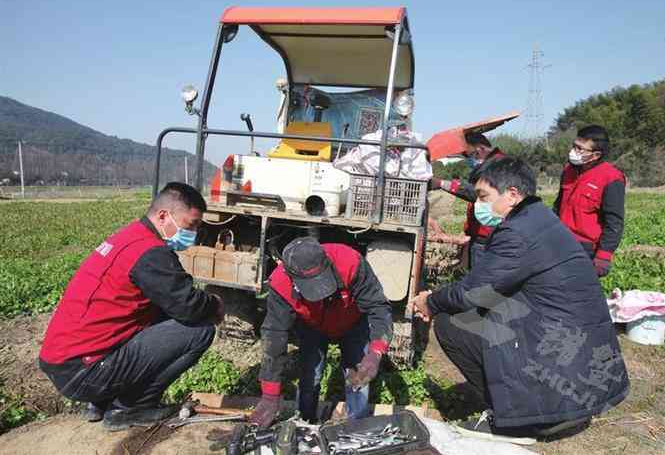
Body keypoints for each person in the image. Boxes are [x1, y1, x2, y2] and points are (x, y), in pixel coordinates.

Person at [412, 157, 629, 443]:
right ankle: (553, 408)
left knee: (452, 324)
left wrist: (431, 301)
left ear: (512, 194)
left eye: (483, 196)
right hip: (583, 354)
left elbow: (473, 291)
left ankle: (517, 422)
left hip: (560, 342)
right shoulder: (539, 218)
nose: (479, 204)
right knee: (485, 314)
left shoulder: (517, 232)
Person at [39, 182, 224, 431]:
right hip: (83, 372)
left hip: (65, 361)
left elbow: (166, 303)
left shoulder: (131, 237)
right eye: (190, 225)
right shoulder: (150, 253)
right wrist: (214, 303)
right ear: (163, 215)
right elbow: (188, 306)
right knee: (200, 329)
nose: (193, 233)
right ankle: (129, 408)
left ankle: (100, 401)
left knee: (158, 313)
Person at [250, 237, 392, 427]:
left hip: (353, 322)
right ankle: (304, 422)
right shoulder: (280, 283)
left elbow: (379, 307)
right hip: (312, 326)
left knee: (359, 375)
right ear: (291, 277)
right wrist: (270, 394)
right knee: (310, 376)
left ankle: (356, 426)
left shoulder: (350, 262)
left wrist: (376, 352)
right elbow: (274, 337)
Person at [554, 124, 626, 277]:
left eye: (580, 149)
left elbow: (614, 222)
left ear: (596, 155)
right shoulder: (569, 170)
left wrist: (603, 256)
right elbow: (558, 206)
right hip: (559, 241)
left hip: (585, 249)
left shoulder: (611, 178)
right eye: (575, 146)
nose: (574, 151)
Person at [430, 132, 505, 268]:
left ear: (480, 149)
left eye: (470, 155)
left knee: (480, 282)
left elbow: (478, 193)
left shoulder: (499, 165)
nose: (469, 159)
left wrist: (442, 183)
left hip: (488, 236)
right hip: (479, 233)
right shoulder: (490, 165)